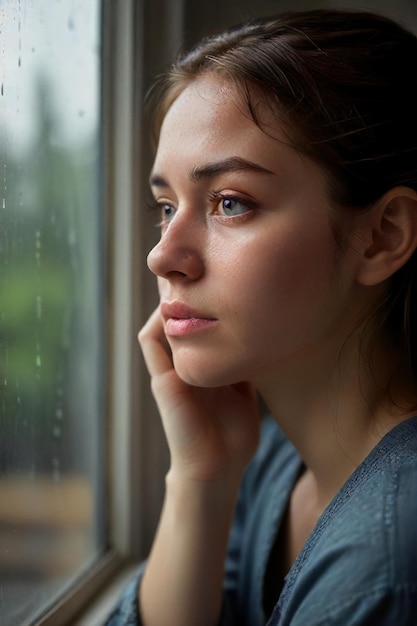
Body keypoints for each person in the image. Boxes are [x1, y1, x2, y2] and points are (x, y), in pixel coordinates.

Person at [107, 8, 417, 625]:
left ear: (382, 236)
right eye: (166, 206)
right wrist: (203, 477)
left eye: (229, 203)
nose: (162, 255)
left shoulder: (386, 569)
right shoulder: (276, 459)